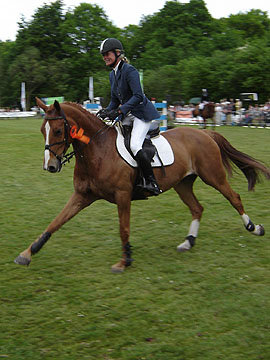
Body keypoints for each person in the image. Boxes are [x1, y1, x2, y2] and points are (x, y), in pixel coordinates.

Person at [97, 38, 161, 196]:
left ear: (117, 53)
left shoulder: (129, 70)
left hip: (141, 114)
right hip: (127, 115)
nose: (105, 57)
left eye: (107, 54)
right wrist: (106, 111)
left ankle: (151, 181)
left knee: (134, 145)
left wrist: (119, 111)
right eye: (103, 55)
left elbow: (138, 95)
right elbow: (114, 100)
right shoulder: (113, 75)